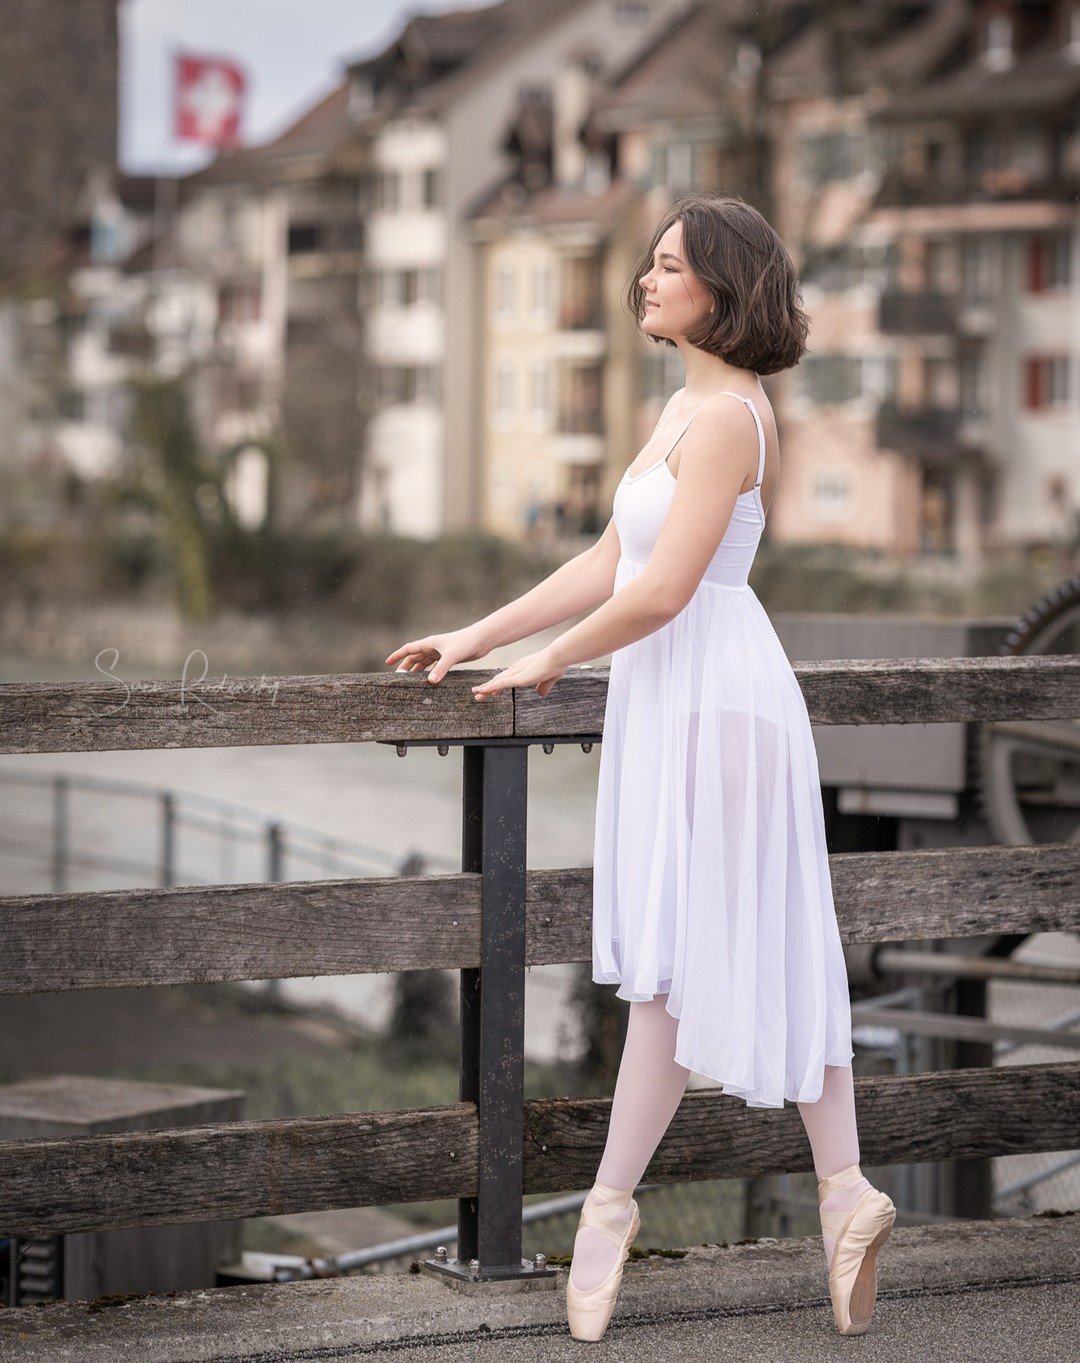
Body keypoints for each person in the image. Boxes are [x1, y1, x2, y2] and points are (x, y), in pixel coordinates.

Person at [384, 192, 895, 1343]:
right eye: (650, 266)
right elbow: (613, 556)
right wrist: (482, 634)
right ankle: (845, 1190)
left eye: (668, 266)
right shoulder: (685, 407)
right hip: (674, 694)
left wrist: (550, 662)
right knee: (728, 943)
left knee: (683, 955)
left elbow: (664, 592)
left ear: (723, 286)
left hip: (714, 693)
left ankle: (609, 1211)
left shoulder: (728, 420)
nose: (646, 282)